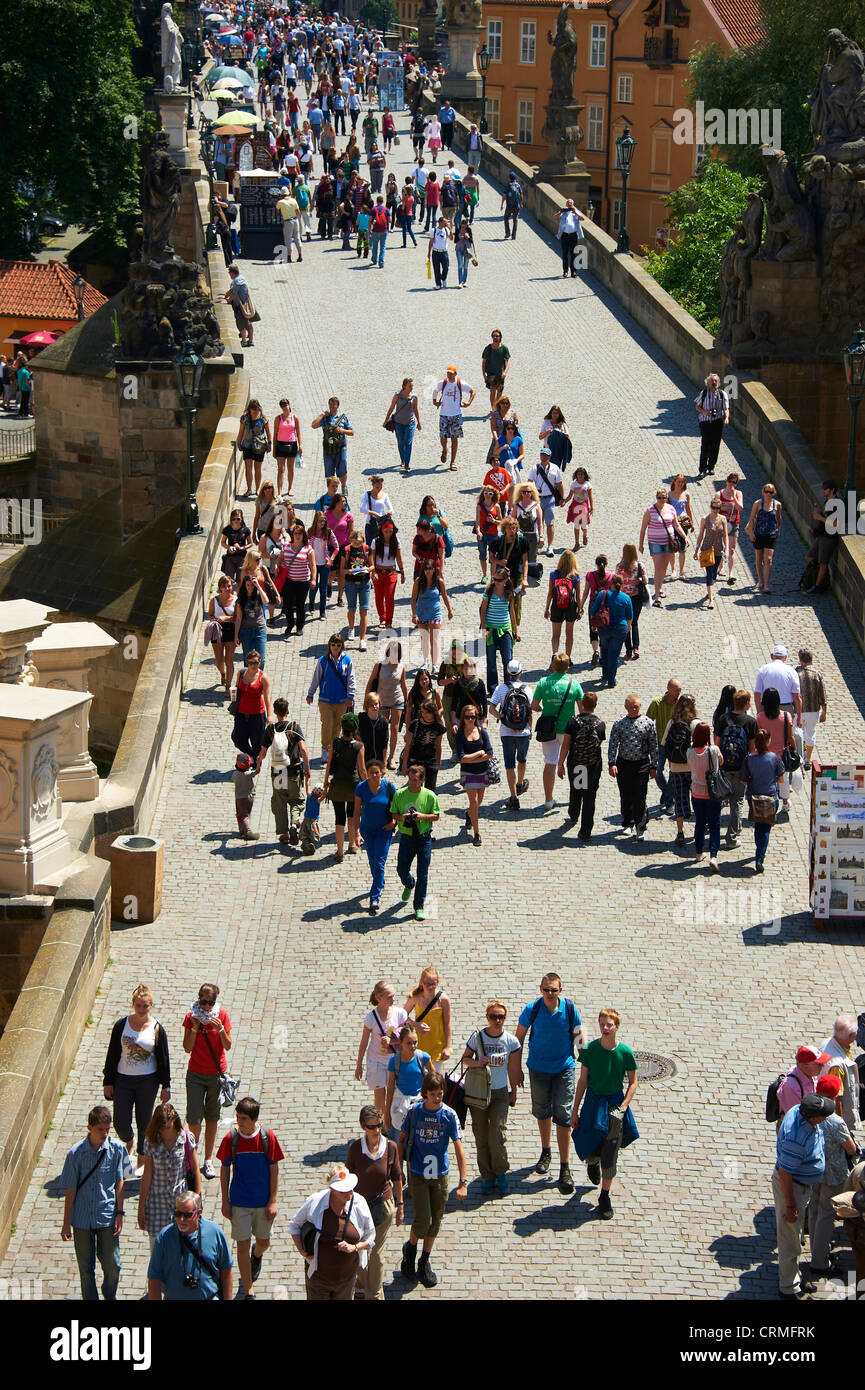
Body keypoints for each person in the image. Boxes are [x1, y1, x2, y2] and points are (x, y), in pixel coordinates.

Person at [515, 974, 585, 1195]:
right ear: (540, 989)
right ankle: (546, 1151)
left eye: (553, 990)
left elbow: (579, 1038)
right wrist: (515, 1070)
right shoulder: (532, 1009)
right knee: (542, 1112)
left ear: (560, 990)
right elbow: (518, 1039)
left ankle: (565, 1168)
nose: (549, 994)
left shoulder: (570, 1010)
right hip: (538, 1068)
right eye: (546, 990)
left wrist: (587, 1065)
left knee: (563, 1116)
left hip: (564, 1068)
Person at [398, 1073, 468, 1289]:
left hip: (440, 1174)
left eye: (440, 1094)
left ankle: (424, 1261)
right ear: (425, 1094)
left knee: (435, 1222)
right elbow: (401, 1141)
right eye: (432, 1095)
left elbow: (458, 1147)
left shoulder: (449, 1115)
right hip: (418, 1174)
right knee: (422, 1220)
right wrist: (398, 1170)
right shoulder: (414, 1112)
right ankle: (409, 1253)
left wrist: (463, 1181)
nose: (437, 1098)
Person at [570, 1008, 639, 1219]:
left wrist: (624, 1105)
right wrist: (575, 1110)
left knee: (610, 1152)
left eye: (609, 1025)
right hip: (593, 1102)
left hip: (614, 1106)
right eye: (602, 1024)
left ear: (617, 1026)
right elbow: (582, 1081)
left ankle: (605, 1196)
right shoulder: (590, 1050)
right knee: (589, 1142)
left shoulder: (625, 1053)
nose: (605, 1028)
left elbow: (633, 1082)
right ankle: (592, 1162)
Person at [216, 1095, 283, 1301]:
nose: (239, 1122)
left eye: (243, 1118)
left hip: (262, 1203)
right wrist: (225, 1202)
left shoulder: (267, 1137)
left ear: (254, 1119)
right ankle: (248, 1289)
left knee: (264, 1242)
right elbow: (225, 1170)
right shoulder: (231, 1139)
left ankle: (258, 1254)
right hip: (240, 1202)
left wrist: (273, 1200)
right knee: (241, 1245)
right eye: (237, 1117)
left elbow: (274, 1169)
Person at [102, 984, 171, 1173]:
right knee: (120, 1121)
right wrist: (108, 1081)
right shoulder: (121, 1026)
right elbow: (113, 1054)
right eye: (139, 1006)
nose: (142, 1010)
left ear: (151, 1006)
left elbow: (163, 1058)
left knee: (145, 1121)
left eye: (145, 1006)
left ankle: (142, 1157)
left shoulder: (157, 1028)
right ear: (133, 1005)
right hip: (123, 1079)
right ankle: (129, 1139)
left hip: (147, 1081)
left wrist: (166, 1085)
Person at [773, 1092, 836, 1299]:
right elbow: (785, 1173)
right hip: (793, 1188)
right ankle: (788, 1287)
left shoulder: (798, 1112)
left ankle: (795, 1277)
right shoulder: (795, 1137)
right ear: (812, 1118)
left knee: (796, 1234)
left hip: (802, 1186)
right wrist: (791, 1206)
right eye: (823, 1116)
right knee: (790, 1237)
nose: (825, 1119)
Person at [60, 1105, 126, 1301]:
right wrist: (66, 1222)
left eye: (107, 1129)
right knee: (86, 1269)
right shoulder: (76, 1154)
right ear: (90, 1128)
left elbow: (119, 1181)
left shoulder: (116, 1150)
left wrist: (120, 1213)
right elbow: (70, 1190)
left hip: (106, 1215)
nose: (105, 1134)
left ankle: (109, 1294)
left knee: (113, 1264)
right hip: (82, 1219)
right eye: (100, 1130)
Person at [288, 1164, 376, 1301]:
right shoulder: (315, 1202)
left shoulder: (359, 1202)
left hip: (347, 1279)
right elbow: (294, 1225)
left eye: (350, 1188)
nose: (350, 1193)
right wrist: (303, 1252)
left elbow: (371, 1237)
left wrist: (355, 1247)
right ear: (333, 1190)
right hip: (318, 1279)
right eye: (344, 1190)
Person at [461, 1000, 521, 1196]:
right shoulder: (477, 1038)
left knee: (497, 1133)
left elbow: (513, 1068)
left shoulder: (511, 1041)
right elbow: (465, 1060)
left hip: (500, 1093)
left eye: (501, 1017)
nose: (497, 1020)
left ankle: (500, 1172)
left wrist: (514, 1091)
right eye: (493, 1016)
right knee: (481, 1135)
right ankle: (487, 1176)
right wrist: (478, 1062)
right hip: (478, 1092)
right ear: (487, 1017)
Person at [346, 1106, 403, 1300]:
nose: (376, 1130)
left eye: (379, 1125)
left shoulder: (391, 1147)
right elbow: (347, 1179)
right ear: (364, 1127)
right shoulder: (355, 1149)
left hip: (383, 1206)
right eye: (372, 1127)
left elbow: (397, 1177)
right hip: (360, 1208)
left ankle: (376, 1295)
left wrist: (400, 1205)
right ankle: (361, 1284)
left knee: (376, 1254)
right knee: (360, 1248)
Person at [808, 1074, 858, 1278]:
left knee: (814, 1210)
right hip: (833, 1174)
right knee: (827, 1215)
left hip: (813, 1171)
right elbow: (851, 1148)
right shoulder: (836, 1122)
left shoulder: (809, 1112)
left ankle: (815, 1252)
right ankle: (819, 1262)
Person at [147, 1188, 233, 1301]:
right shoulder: (164, 1237)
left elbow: (226, 1269)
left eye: (187, 1215)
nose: (181, 1219)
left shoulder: (214, 1232)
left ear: (198, 1213)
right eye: (177, 1214)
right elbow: (154, 1278)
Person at [138, 1102, 200, 1254]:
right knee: (158, 1252)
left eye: (169, 1127)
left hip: (182, 1204)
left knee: (184, 1250)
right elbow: (147, 1175)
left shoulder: (185, 1138)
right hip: (157, 1204)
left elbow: (195, 1169)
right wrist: (141, 1207)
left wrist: (198, 1201)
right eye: (162, 1128)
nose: (166, 1132)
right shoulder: (151, 1142)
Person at [256, 697, 310, 845]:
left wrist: (259, 764)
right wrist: (307, 769)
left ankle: (284, 834)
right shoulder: (294, 727)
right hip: (293, 773)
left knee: (279, 802)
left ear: (274, 712)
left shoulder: (270, 730)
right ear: (287, 711)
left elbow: (263, 752)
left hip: (278, 773)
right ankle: (294, 823)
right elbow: (303, 750)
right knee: (297, 800)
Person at [531, 655, 582, 812]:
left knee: (549, 763)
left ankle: (548, 800)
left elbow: (534, 705)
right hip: (569, 730)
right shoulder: (574, 684)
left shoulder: (543, 683)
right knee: (578, 764)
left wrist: (543, 710)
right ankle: (578, 798)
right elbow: (582, 710)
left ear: (552, 666)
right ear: (568, 667)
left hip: (549, 729)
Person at [390, 763, 441, 921]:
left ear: (422, 780)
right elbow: (393, 814)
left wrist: (421, 816)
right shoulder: (400, 794)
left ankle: (418, 906)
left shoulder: (430, 795)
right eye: (410, 779)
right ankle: (409, 883)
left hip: (424, 838)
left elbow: (436, 816)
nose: (412, 782)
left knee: (423, 874)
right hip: (406, 837)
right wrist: (403, 817)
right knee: (401, 869)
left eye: (415, 780)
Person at [608, 694, 658, 839]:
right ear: (626, 707)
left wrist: (654, 765)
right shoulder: (619, 724)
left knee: (640, 796)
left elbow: (653, 746)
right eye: (631, 707)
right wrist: (612, 763)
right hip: (624, 764)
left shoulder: (648, 723)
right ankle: (628, 822)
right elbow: (613, 744)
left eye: (636, 707)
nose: (634, 709)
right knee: (626, 795)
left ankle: (640, 825)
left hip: (642, 764)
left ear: (640, 706)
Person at [557, 690, 606, 839]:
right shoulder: (600, 724)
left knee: (577, 790)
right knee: (590, 797)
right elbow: (599, 744)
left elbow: (566, 745)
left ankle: (573, 814)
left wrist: (560, 764)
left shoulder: (573, 722)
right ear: (595, 705)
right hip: (593, 764)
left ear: (582, 704)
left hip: (577, 763)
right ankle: (585, 832)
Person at [351, 760, 397, 914]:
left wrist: (393, 822)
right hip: (367, 831)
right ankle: (380, 881)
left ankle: (374, 897)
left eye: (377, 772)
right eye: (371, 773)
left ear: (381, 772)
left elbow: (398, 807)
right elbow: (356, 811)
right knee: (373, 861)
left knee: (379, 862)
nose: (374, 775)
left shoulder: (389, 787)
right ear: (367, 773)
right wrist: (356, 833)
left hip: (384, 830)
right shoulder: (361, 788)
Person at [714, 689, 757, 850]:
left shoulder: (723, 719)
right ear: (746, 703)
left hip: (724, 765)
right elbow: (752, 749)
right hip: (741, 767)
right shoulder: (750, 722)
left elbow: (716, 742)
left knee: (720, 798)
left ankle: (717, 831)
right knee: (737, 801)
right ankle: (732, 837)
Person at [490, 657, 533, 811]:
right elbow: (530, 711)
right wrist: (530, 729)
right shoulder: (527, 689)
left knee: (509, 765)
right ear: (520, 672)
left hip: (506, 732)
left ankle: (513, 797)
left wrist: (502, 717)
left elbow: (492, 708)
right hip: (523, 731)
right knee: (522, 759)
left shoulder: (501, 688)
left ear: (508, 673)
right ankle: (520, 784)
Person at [306, 632, 356, 762]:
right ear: (329, 645)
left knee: (337, 726)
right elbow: (316, 678)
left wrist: (350, 696)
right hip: (325, 700)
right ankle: (325, 748)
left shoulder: (347, 661)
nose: (335, 647)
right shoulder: (323, 661)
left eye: (338, 644)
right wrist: (310, 693)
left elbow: (351, 679)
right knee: (327, 724)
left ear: (341, 646)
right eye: (333, 644)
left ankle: (333, 749)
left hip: (342, 700)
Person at [324, 710, 365, 861]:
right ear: (355, 729)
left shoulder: (335, 743)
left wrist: (325, 783)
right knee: (352, 815)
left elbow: (329, 765)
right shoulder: (359, 746)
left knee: (339, 817)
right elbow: (361, 769)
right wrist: (367, 785)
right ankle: (352, 844)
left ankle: (340, 851)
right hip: (353, 785)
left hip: (338, 784)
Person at [743, 727, 785, 872]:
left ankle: (758, 850)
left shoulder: (748, 759)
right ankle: (760, 857)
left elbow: (743, 780)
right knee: (765, 829)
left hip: (754, 798)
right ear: (768, 741)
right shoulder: (774, 758)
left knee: (758, 827)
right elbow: (781, 778)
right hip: (770, 798)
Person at [639, 486, 688, 606]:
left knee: (664, 568)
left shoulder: (671, 509)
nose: (661, 499)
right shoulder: (650, 510)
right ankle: (656, 598)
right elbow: (643, 528)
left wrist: (685, 537)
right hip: (655, 542)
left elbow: (676, 525)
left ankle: (659, 588)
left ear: (667, 498)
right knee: (658, 567)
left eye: (663, 497)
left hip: (668, 542)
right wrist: (641, 544)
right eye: (659, 497)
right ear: (656, 498)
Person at [385, 1023, 435, 1135]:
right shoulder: (394, 1061)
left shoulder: (424, 1057)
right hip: (400, 1106)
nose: (412, 1046)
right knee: (399, 1143)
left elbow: (435, 1081)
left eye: (415, 1042)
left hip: (420, 1105)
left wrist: (428, 1098)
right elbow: (390, 1088)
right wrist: (387, 1113)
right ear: (401, 1043)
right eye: (409, 1043)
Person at [454, 704, 493, 845]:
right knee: (474, 802)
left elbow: (489, 753)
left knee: (478, 802)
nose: (470, 719)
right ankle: (477, 833)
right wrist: (478, 754)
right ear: (462, 718)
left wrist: (475, 759)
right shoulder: (459, 734)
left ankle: (470, 814)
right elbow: (462, 758)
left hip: (482, 771)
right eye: (467, 717)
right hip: (468, 773)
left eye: (472, 717)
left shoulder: (482, 732)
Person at [686, 721, 723, 871]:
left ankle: (699, 852)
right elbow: (720, 763)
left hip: (696, 792)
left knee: (700, 824)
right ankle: (713, 856)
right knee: (714, 825)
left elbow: (690, 769)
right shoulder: (713, 750)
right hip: (712, 793)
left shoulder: (690, 752)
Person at [366, 639, 408, 769]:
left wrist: (407, 702)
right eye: (391, 651)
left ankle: (391, 757)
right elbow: (371, 681)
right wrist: (367, 699)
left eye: (396, 651)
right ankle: (381, 756)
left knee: (394, 730)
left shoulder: (401, 667)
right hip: (382, 701)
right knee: (382, 729)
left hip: (397, 700)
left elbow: (403, 685)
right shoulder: (379, 665)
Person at [756, 686, 796, 816]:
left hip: (765, 754)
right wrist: (794, 748)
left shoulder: (760, 717)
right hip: (781, 754)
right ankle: (785, 802)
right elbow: (790, 736)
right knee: (783, 780)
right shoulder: (786, 715)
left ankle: (768, 802)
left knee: (768, 780)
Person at [590, 572, 633, 688]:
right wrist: (628, 628)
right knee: (614, 654)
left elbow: (593, 610)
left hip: (604, 627)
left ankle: (605, 674)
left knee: (605, 650)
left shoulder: (603, 594)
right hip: (620, 629)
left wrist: (593, 625)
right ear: (622, 585)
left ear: (611, 583)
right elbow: (629, 616)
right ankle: (611, 680)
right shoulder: (626, 598)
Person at [820, 1015, 861, 1136]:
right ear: (850, 1036)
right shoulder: (837, 1065)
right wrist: (840, 1126)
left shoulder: (828, 1042)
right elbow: (837, 1098)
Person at [412, 558, 453, 671]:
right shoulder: (419, 581)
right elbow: (413, 598)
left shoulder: (439, 582)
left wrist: (450, 610)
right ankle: (426, 661)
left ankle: (435, 664)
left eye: (430, 568)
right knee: (424, 638)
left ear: (434, 569)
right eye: (426, 569)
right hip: (422, 612)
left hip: (435, 612)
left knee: (434, 639)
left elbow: (444, 596)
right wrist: (414, 614)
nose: (428, 571)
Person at [480, 570, 518, 692]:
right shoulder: (489, 591)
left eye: (499, 580)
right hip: (490, 629)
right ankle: (492, 688)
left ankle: (508, 686)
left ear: (506, 580)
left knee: (507, 659)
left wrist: (515, 629)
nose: (496, 582)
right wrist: (483, 628)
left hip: (505, 628)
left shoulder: (510, 593)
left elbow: (512, 611)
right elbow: (483, 610)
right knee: (491, 660)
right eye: (494, 579)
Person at [433, 363, 474, 470]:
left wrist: (469, 402)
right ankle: (444, 449)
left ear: (455, 374)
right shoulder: (443, 383)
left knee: (455, 439)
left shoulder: (460, 384)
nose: (449, 374)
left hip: (456, 415)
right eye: (448, 372)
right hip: (444, 414)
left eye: (451, 373)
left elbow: (472, 391)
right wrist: (435, 401)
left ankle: (453, 462)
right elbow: (435, 390)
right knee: (443, 437)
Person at [528, 445, 566, 556]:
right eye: (542, 455)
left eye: (545, 455)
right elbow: (530, 483)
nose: (543, 457)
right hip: (537, 499)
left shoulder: (555, 468)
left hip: (550, 498)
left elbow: (560, 484)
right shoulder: (535, 468)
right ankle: (538, 542)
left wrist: (562, 498)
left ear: (549, 456)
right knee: (536, 522)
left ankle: (550, 546)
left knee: (550, 523)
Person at [777, 1044, 832, 1120]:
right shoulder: (791, 1086)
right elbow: (794, 1117)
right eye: (819, 1064)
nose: (823, 1066)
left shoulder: (810, 1074)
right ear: (806, 1066)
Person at [745, 483, 782, 593]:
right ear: (763, 492)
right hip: (759, 534)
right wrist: (751, 532)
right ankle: (760, 580)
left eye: (770, 492)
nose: (768, 494)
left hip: (771, 535)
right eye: (766, 491)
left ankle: (766, 585)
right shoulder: (757, 504)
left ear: (773, 493)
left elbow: (779, 518)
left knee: (768, 559)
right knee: (759, 558)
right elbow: (751, 519)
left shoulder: (777, 505)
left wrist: (778, 530)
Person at [311, 397, 354, 491]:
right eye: (330, 404)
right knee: (329, 472)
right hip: (328, 449)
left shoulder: (343, 418)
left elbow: (352, 432)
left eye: (334, 404)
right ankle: (331, 491)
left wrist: (342, 430)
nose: (332, 406)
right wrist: (322, 415)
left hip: (340, 448)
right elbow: (313, 425)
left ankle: (343, 486)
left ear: (337, 406)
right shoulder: (325, 418)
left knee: (342, 469)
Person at [694, 495, 728, 609]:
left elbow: (726, 536)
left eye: (718, 508)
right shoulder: (705, 519)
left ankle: (711, 588)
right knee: (709, 574)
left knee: (714, 575)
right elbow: (700, 535)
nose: (716, 510)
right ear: (710, 507)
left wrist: (726, 549)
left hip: (718, 550)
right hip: (707, 549)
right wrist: (696, 549)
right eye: (714, 507)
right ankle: (711, 600)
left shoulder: (723, 519)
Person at [340, 527, 371, 650]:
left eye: (360, 542)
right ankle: (351, 628)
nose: (358, 544)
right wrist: (350, 571)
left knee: (364, 610)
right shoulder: (346, 550)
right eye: (355, 542)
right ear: (351, 540)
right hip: (351, 583)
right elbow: (341, 570)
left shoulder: (367, 549)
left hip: (365, 582)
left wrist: (368, 569)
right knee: (351, 608)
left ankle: (362, 639)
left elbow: (372, 565)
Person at [796, 649, 827, 771]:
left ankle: (798, 759)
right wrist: (824, 711)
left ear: (800, 659)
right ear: (811, 660)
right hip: (813, 710)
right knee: (810, 733)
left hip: (799, 709)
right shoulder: (816, 673)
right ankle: (807, 760)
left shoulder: (795, 673)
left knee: (798, 734)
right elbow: (822, 694)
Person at [694, 373, 730, 477]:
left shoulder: (722, 394)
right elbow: (697, 406)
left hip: (717, 422)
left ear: (718, 382)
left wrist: (727, 418)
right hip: (705, 422)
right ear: (708, 382)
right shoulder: (704, 393)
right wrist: (705, 412)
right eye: (712, 381)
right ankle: (702, 469)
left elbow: (726, 408)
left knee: (715, 445)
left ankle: (711, 467)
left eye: (715, 381)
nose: (714, 383)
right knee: (705, 445)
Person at [754, 643, 802, 720]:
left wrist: (759, 712)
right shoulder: (791, 671)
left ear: (772, 656)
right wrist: (799, 717)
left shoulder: (763, 670)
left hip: (767, 707)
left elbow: (757, 693)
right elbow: (797, 697)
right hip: (786, 708)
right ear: (785, 657)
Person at [384, 378, 422, 472]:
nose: (411, 388)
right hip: (398, 423)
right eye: (410, 386)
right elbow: (392, 407)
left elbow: (416, 410)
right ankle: (403, 459)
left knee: (408, 443)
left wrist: (419, 422)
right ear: (404, 386)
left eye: (412, 386)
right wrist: (386, 419)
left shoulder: (414, 397)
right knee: (400, 442)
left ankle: (407, 464)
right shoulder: (397, 395)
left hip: (410, 423)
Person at [235, 398, 271, 498]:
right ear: (250, 409)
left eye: (257, 409)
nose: (255, 412)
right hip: (247, 445)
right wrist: (239, 442)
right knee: (248, 467)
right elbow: (241, 431)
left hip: (259, 445)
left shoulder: (263, 418)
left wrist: (269, 444)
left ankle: (258, 489)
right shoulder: (244, 418)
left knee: (258, 468)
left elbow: (268, 432)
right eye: (254, 410)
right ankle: (249, 489)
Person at [307, 510, 339, 622]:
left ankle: (322, 611)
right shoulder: (310, 532)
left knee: (323, 588)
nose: (323, 523)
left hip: (325, 564)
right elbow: (306, 547)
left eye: (324, 521)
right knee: (313, 587)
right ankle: (311, 603)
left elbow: (336, 547)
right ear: (316, 521)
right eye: (321, 521)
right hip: (313, 564)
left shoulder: (328, 532)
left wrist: (331, 559)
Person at [716, 472, 744, 583]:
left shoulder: (738, 494)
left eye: (734, 482)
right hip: (722, 524)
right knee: (722, 548)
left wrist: (733, 496)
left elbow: (740, 508)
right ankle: (720, 567)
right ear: (726, 481)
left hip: (733, 523)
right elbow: (715, 509)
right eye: (730, 481)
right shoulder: (719, 494)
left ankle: (731, 574)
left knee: (731, 549)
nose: (731, 484)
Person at [272, 398, 303, 498]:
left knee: (290, 468)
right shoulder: (278, 418)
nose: (284, 407)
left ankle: (290, 488)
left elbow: (298, 432)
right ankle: (280, 491)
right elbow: (275, 433)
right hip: (280, 444)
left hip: (292, 444)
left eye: (286, 405)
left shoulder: (295, 418)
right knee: (281, 469)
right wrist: (274, 448)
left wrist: (300, 445)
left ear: (289, 405)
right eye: (282, 406)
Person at [223, 264, 259, 350]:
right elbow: (232, 290)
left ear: (232, 273)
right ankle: (250, 340)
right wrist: (225, 295)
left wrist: (227, 301)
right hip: (246, 304)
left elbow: (234, 293)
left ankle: (244, 341)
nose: (229, 275)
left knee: (241, 324)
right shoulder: (241, 278)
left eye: (229, 273)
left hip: (240, 306)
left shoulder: (237, 281)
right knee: (248, 324)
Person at [555, 198, 586, 276]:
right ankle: (565, 271)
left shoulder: (575, 212)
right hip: (564, 235)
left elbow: (582, 218)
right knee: (564, 254)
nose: (569, 205)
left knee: (573, 254)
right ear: (566, 204)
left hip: (573, 235)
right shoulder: (563, 212)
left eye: (571, 203)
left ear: (573, 204)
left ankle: (573, 271)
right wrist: (560, 212)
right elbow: (555, 217)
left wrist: (575, 212)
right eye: (568, 203)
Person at [481, 330, 511, 410]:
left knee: (500, 392)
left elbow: (508, 361)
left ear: (500, 337)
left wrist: (505, 372)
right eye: (494, 336)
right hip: (491, 373)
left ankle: (497, 407)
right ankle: (494, 409)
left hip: (500, 374)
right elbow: (484, 362)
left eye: (497, 336)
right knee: (492, 391)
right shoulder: (488, 348)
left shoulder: (504, 348)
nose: (495, 338)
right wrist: (484, 375)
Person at [428, 215, 453, 289]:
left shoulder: (446, 230)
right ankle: (438, 284)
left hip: (444, 251)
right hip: (436, 251)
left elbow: (451, 238)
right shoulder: (434, 230)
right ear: (440, 222)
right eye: (445, 222)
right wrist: (429, 252)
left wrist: (450, 230)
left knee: (446, 267)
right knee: (436, 268)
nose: (446, 223)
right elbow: (431, 241)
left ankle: (443, 278)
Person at [501, 172, 524, 239]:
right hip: (516, 205)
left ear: (510, 178)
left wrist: (502, 204)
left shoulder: (508, 185)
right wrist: (521, 203)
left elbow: (504, 196)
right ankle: (514, 235)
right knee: (515, 220)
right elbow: (521, 194)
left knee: (506, 218)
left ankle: (508, 233)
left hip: (509, 206)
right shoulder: (518, 185)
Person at [454, 217, 475, 288]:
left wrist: (468, 237)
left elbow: (472, 241)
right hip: (459, 249)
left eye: (464, 226)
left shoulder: (469, 230)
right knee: (460, 265)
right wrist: (459, 238)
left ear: (466, 226)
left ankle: (464, 281)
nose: (463, 227)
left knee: (465, 266)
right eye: (462, 226)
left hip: (467, 250)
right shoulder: (457, 230)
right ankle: (460, 282)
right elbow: (455, 241)